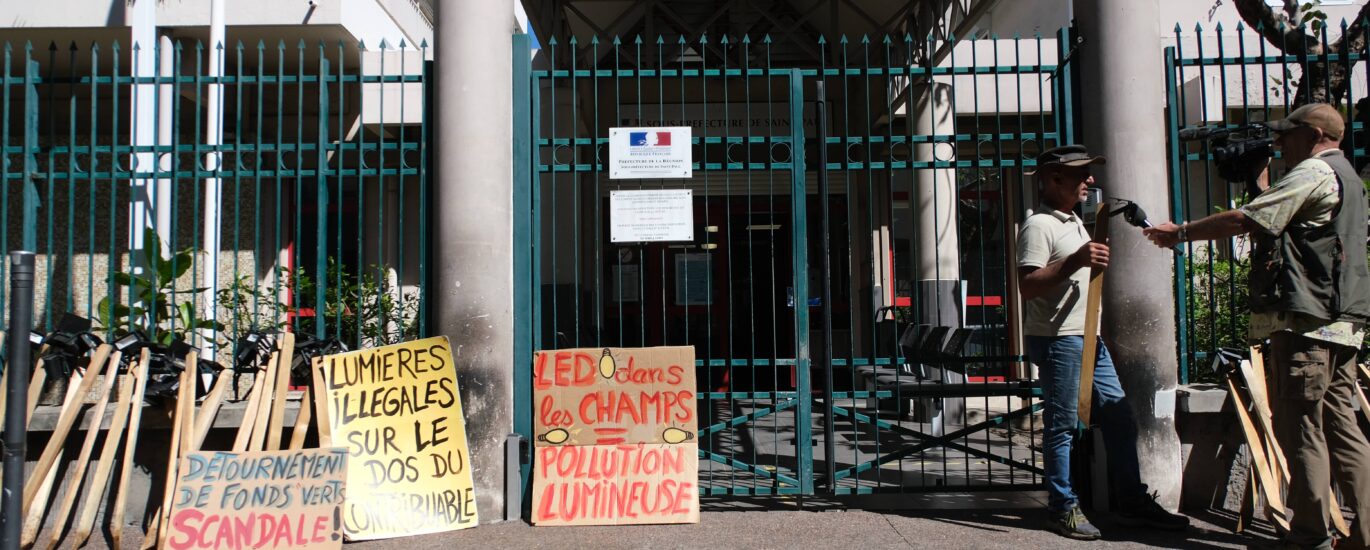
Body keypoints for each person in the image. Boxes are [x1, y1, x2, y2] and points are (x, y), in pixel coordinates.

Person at [1145, 103, 1370, 550]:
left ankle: (1309, 536)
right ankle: (1364, 533)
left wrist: (1181, 233)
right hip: (1342, 323)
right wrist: (1261, 179)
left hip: (1307, 323)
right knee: (1343, 427)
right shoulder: (1347, 175)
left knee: (1302, 429)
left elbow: (1248, 219)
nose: (1280, 142)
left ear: (1313, 135)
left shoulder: (1313, 173)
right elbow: (1291, 225)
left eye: (1287, 135)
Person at [1017, 144, 1191, 540]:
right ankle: (1062, 508)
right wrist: (1076, 261)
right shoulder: (1039, 226)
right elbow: (1027, 286)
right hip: (1060, 340)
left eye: (1089, 172)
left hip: (1086, 339)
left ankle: (1130, 502)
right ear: (1053, 178)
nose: (1090, 180)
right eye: (1081, 173)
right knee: (1062, 426)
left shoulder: (1076, 221)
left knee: (1118, 417)